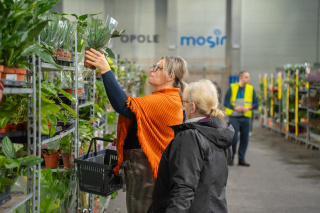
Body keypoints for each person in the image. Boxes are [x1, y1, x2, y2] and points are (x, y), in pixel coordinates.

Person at [85, 49, 188, 213]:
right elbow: (146, 123)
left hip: (148, 172)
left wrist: (106, 70)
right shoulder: (169, 98)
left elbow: (125, 106)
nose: (152, 69)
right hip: (145, 169)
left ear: (171, 76)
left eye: (158, 67)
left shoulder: (166, 100)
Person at [148, 80, 234, 213]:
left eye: (184, 103)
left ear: (192, 107)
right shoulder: (221, 133)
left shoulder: (190, 137)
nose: (183, 107)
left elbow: (183, 189)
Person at [224, 71, 259, 166]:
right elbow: (226, 102)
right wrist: (235, 108)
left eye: (249, 77)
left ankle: (241, 159)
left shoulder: (251, 89)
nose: (248, 79)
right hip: (234, 117)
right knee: (234, 139)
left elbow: (256, 104)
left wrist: (248, 108)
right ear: (241, 78)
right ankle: (231, 158)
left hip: (246, 117)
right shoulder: (232, 87)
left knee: (245, 139)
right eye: (246, 77)